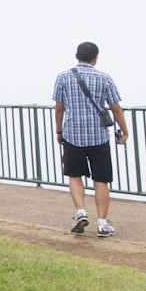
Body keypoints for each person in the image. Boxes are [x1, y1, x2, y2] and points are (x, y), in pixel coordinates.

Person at [53, 42, 128, 238]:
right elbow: (116, 108)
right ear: (95, 58)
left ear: (76, 55)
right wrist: (125, 131)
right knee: (101, 179)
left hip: (72, 135)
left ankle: (81, 212)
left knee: (75, 175)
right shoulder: (104, 78)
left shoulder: (63, 77)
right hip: (98, 136)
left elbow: (59, 108)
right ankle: (102, 224)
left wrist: (59, 131)